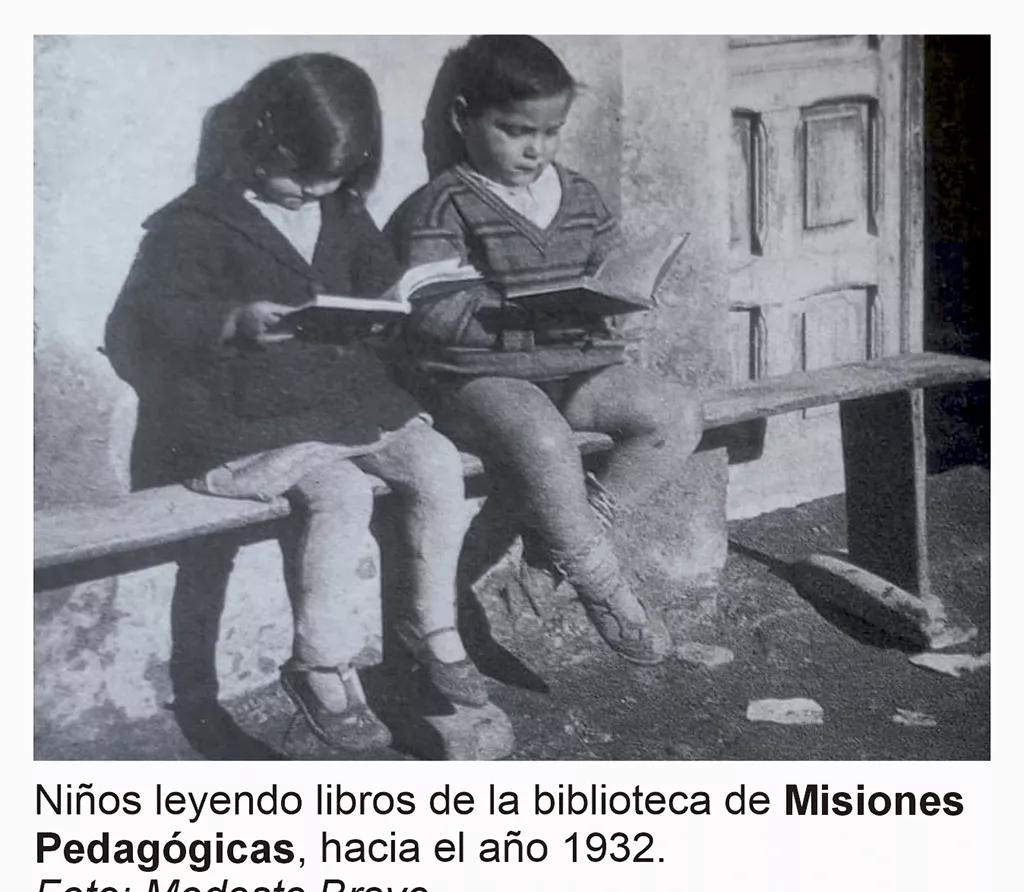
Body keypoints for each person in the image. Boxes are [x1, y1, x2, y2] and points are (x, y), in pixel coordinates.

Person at [105, 53, 490, 754]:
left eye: (331, 178)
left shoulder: (338, 208)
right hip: (246, 413)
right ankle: (321, 665)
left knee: (435, 462)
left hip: (338, 398)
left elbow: (378, 281)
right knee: (339, 494)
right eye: (298, 174)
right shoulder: (194, 224)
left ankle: (432, 626)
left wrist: (404, 300)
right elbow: (136, 326)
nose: (310, 191)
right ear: (259, 139)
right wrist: (231, 321)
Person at [387, 35, 703, 666]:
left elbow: (606, 269)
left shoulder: (579, 195)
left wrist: (624, 304)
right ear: (462, 119)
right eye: (514, 130)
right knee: (542, 440)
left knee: (674, 414)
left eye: (551, 132)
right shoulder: (441, 205)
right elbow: (433, 308)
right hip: (479, 380)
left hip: (573, 365)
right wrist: (521, 321)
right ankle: (601, 583)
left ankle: (557, 542)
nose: (536, 149)